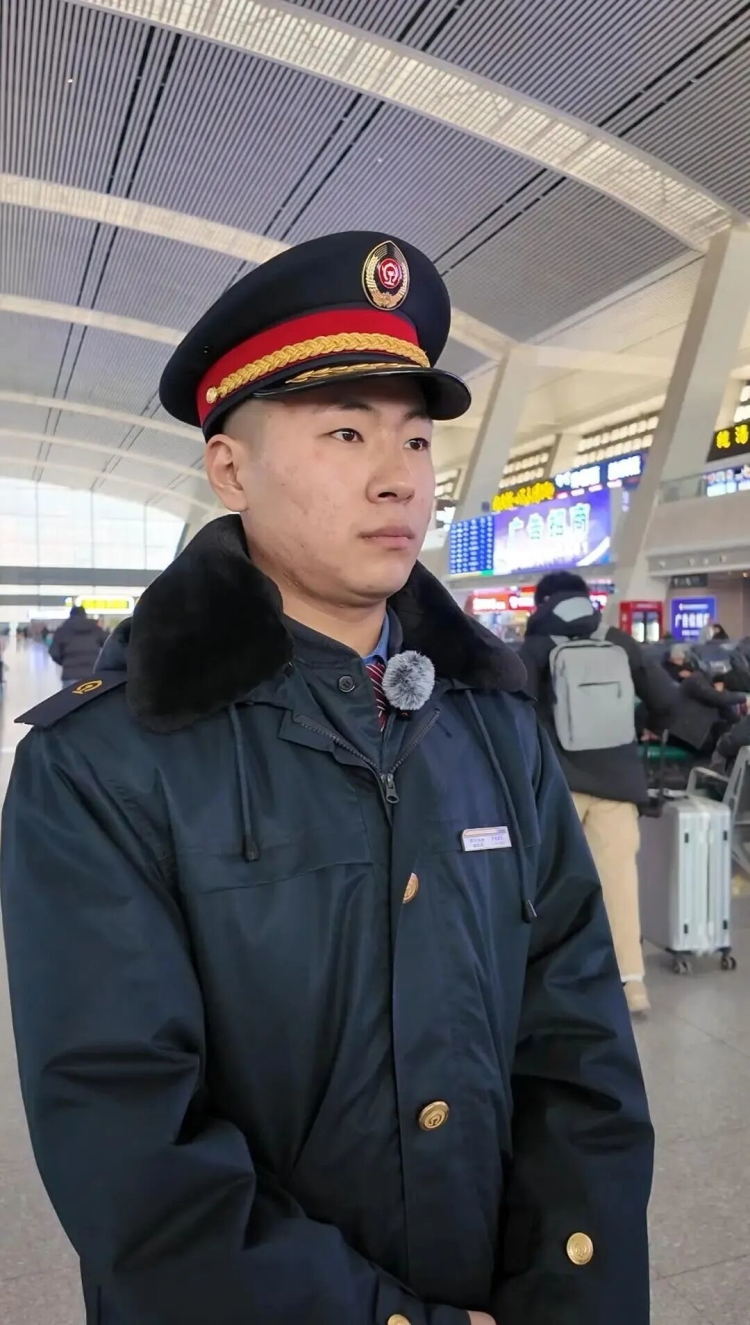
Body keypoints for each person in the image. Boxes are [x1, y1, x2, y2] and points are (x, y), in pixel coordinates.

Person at [1, 233, 653, 1325]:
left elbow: (578, 1042)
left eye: (415, 437)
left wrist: (571, 1292)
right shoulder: (101, 766)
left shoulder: (492, 723)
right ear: (230, 468)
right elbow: (130, 1149)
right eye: (346, 431)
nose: (399, 475)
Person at [519, 571, 674, 1017]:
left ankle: (551, 985)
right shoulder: (620, 642)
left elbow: (514, 712)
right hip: (618, 784)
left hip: (555, 787)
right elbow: (667, 702)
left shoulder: (534, 648)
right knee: (619, 883)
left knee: (548, 884)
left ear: (543, 603)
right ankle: (631, 984)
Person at [49, 605, 107, 685]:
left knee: (70, 693)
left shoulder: (62, 630)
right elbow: (108, 644)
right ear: (85, 615)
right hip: (91, 674)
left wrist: (65, 662)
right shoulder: (95, 629)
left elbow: (54, 652)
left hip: (70, 674)